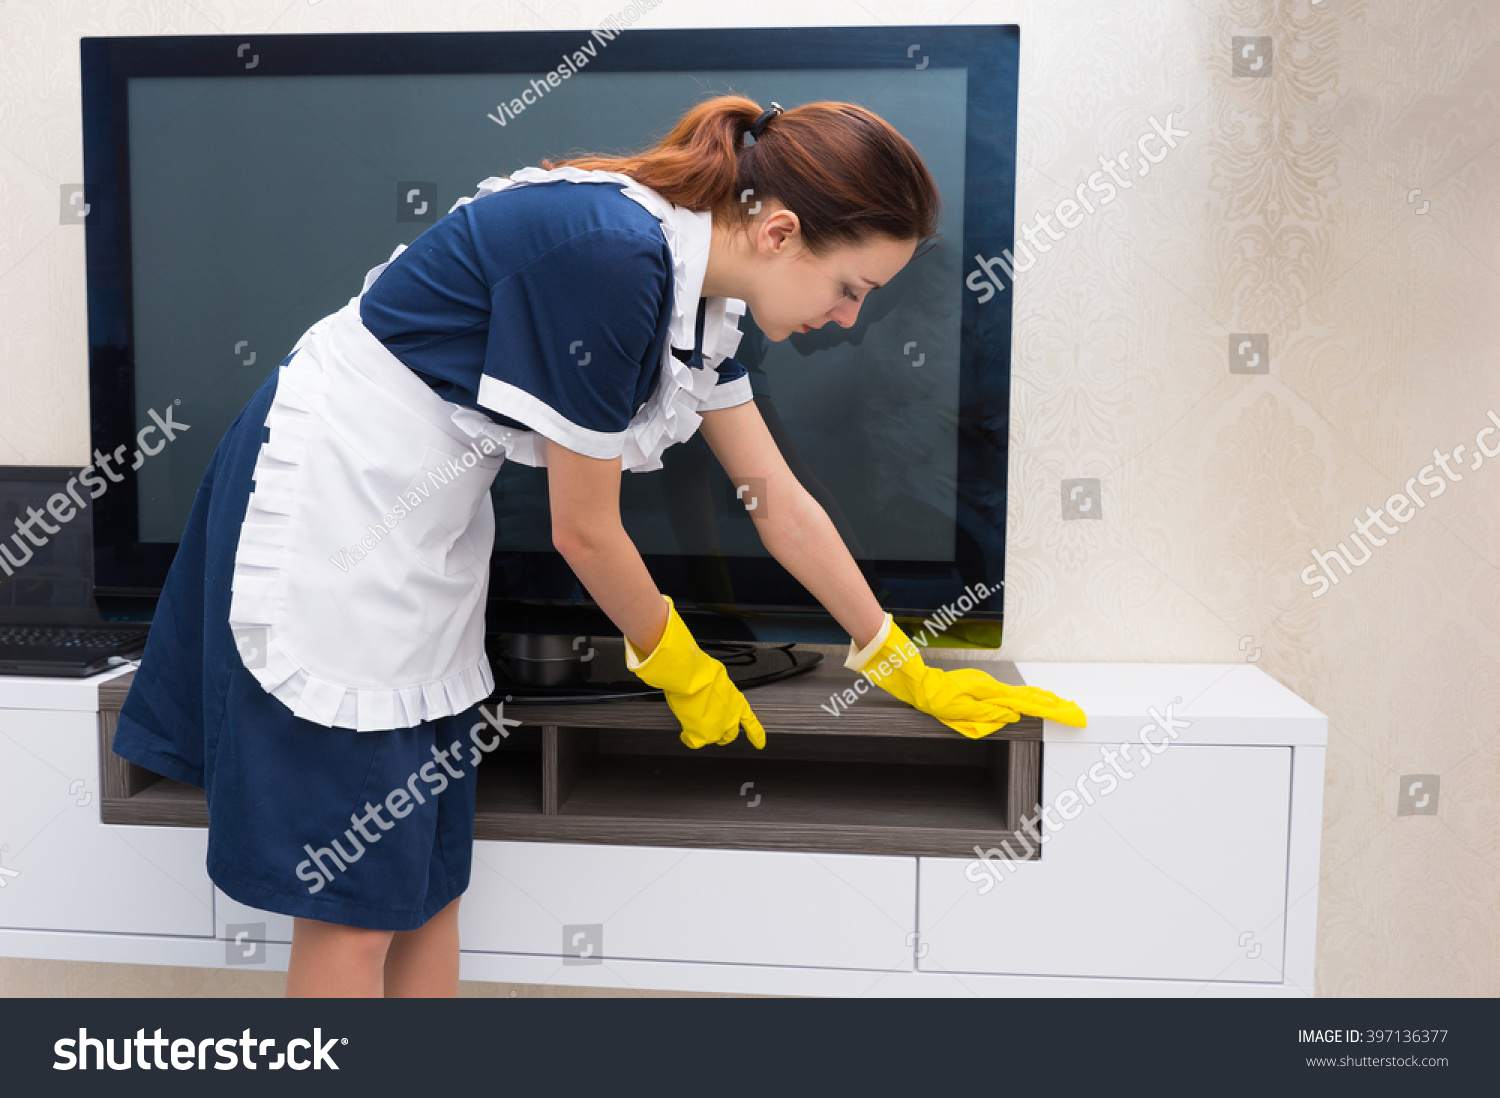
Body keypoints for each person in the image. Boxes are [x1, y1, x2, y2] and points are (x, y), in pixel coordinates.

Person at [110, 95, 1086, 999]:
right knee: (353, 905)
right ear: (782, 230)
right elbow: (585, 529)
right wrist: (678, 660)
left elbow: (775, 497)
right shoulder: (611, 257)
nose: (849, 318)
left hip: (429, 518)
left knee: (428, 882)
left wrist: (896, 658)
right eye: (850, 285)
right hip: (340, 504)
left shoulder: (703, 294)